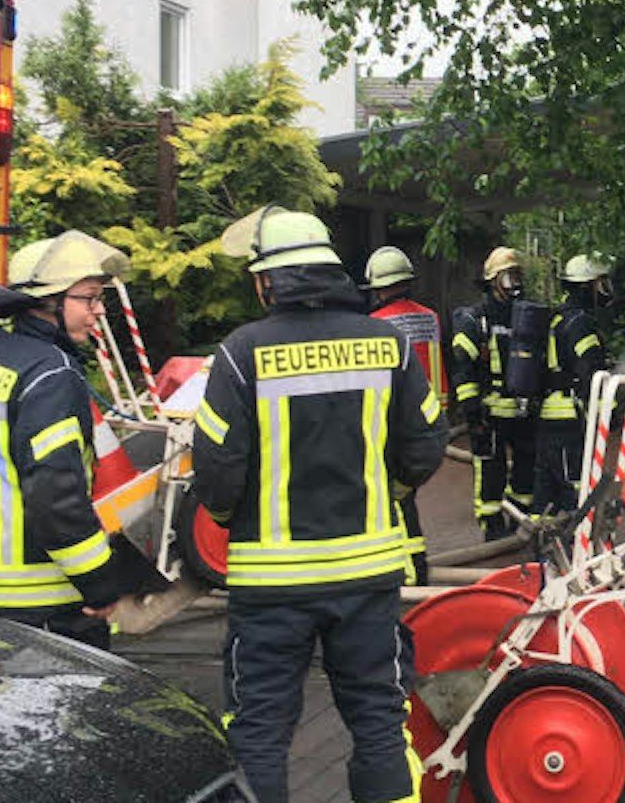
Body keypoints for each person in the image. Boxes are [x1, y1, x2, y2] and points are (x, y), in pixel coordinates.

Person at [192, 206, 445, 803]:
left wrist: (231, 519)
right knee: (380, 725)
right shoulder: (386, 343)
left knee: (258, 733)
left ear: (267, 281)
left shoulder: (241, 352)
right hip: (367, 576)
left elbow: (217, 472)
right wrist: (388, 495)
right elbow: (426, 443)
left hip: (270, 585)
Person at [0, 230, 162, 650]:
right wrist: (100, 585)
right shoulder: (52, 375)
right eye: (89, 299)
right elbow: (56, 499)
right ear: (47, 302)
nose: (98, 311)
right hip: (36, 607)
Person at [363, 244, 446, 585]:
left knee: (395, 499)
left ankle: (408, 572)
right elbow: (437, 370)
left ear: (378, 287)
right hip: (427, 418)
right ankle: (416, 564)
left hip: (391, 423)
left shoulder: (373, 326)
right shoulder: (430, 318)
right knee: (408, 494)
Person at [448, 246, 537, 539]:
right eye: (508, 277)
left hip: (523, 411)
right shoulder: (475, 319)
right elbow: (462, 368)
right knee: (490, 475)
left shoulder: (526, 316)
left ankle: (518, 520)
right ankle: (493, 529)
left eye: (517, 276)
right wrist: (472, 412)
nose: (515, 284)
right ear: (492, 282)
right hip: (490, 414)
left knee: (526, 473)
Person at [535, 253, 614, 516]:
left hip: (549, 413)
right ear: (587, 286)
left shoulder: (559, 317)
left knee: (546, 489)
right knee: (575, 485)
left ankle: (542, 538)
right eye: (601, 283)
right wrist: (608, 413)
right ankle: (576, 536)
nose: (604, 290)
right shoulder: (580, 323)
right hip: (569, 417)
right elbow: (591, 371)